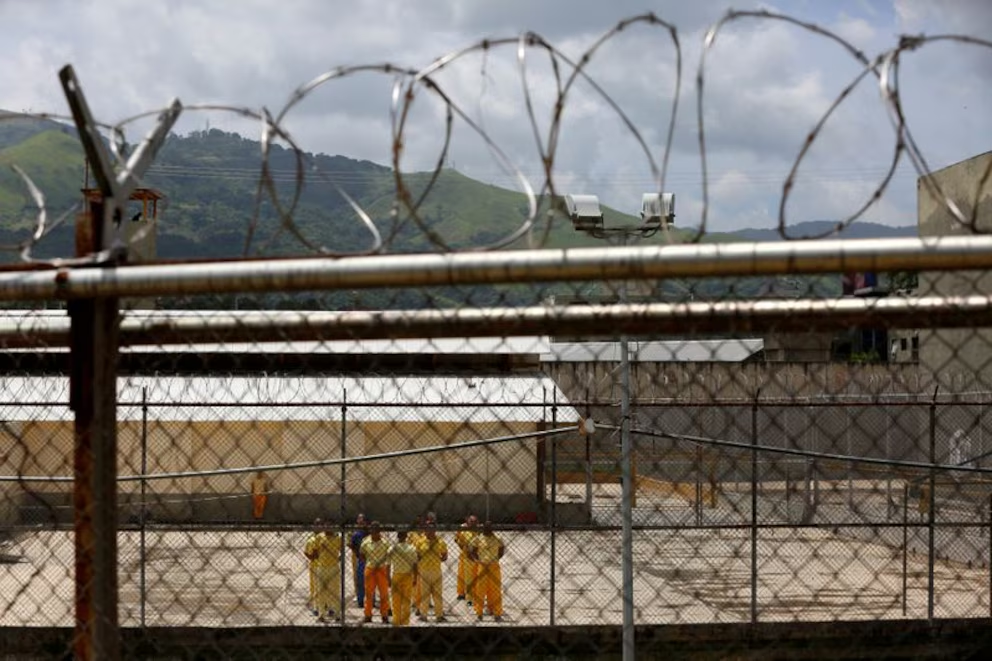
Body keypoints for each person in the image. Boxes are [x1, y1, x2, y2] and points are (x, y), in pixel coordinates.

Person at [303, 518, 342, 623]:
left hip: (334, 568)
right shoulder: (319, 537)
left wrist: (338, 558)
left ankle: (337, 613)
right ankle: (321, 615)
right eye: (326, 526)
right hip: (321, 567)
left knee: (335, 591)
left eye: (331, 526)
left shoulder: (337, 538)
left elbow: (342, 550)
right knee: (321, 592)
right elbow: (313, 551)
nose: (328, 528)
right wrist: (315, 556)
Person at [469, 520, 505, 622]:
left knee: (495, 590)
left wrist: (496, 558)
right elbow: (471, 550)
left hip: (494, 566)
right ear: (483, 528)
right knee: (479, 589)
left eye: (490, 528)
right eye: (486, 528)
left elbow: (502, 549)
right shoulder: (478, 538)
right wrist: (477, 559)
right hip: (481, 566)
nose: (489, 530)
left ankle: (497, 612)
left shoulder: (497, 538)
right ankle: (478, 611)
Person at [416, 521, 448, 622]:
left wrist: (439, 558)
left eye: (432, 529)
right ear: (425, 530)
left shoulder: (440, 542)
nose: (430, 531)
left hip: (436, 571)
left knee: (437, 594)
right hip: (424, 571)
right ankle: (423, 615)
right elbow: (416, 556)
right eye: (428, 528)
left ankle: (439, 615)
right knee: (425, 594)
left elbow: (445, 555)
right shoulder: (420, 542)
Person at [360, 521, 391, 623]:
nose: (374, 531)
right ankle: (368, 615)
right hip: (370, 569)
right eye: (372, 529)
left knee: (384, 593)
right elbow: (362, 555)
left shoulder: (385, 543)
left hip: (382, 569)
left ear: (379, 531)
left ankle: (384, 615)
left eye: (376, 529)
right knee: (368, 593)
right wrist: (369, 563)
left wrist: (387, 571)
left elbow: (388, 557)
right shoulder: (365, 542)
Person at [388, 529, 419, 626]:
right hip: (408, 575)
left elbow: (388, 565)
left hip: (396, 575)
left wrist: (388, 578)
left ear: (397, 536)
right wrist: (415, 578)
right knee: (406, 601)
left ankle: (396, 621)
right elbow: (415, 565)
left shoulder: (392, 549)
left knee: (396, 601)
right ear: (406, 537)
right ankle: (405, 623)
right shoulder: (412, 548)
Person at [455, 514, 478, 604]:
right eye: (472, 522)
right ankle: (461, 593)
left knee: (473, 576)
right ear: (467, 521)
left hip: (475, 556)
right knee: (462, 575)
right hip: (464, 555)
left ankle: (472, 595)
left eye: (475, 522)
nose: (474, 524)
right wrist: (463, 548)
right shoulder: (463, 529)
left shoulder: (478, 530)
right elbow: (456, 539)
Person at [408, 515, 426, 615]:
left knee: (423, 581)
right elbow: (408, 545)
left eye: (422, 523)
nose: (420, 525)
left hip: (424, 561)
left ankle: (424, 600)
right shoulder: (412, 534)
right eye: (419, 523)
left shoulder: (426, 534)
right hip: (413, 560)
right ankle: (415, 600)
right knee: (414, 581)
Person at [350, 514, 369, 607]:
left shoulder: (369, 533)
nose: (361, 523)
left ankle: (371, 600)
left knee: (370, 581)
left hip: (370, 559)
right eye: (359, 521)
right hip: (361, 559)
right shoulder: (356, 534)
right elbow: (352, 546)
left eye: (363, 521)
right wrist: (358, 555)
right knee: (360, 580)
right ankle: (360, 600)